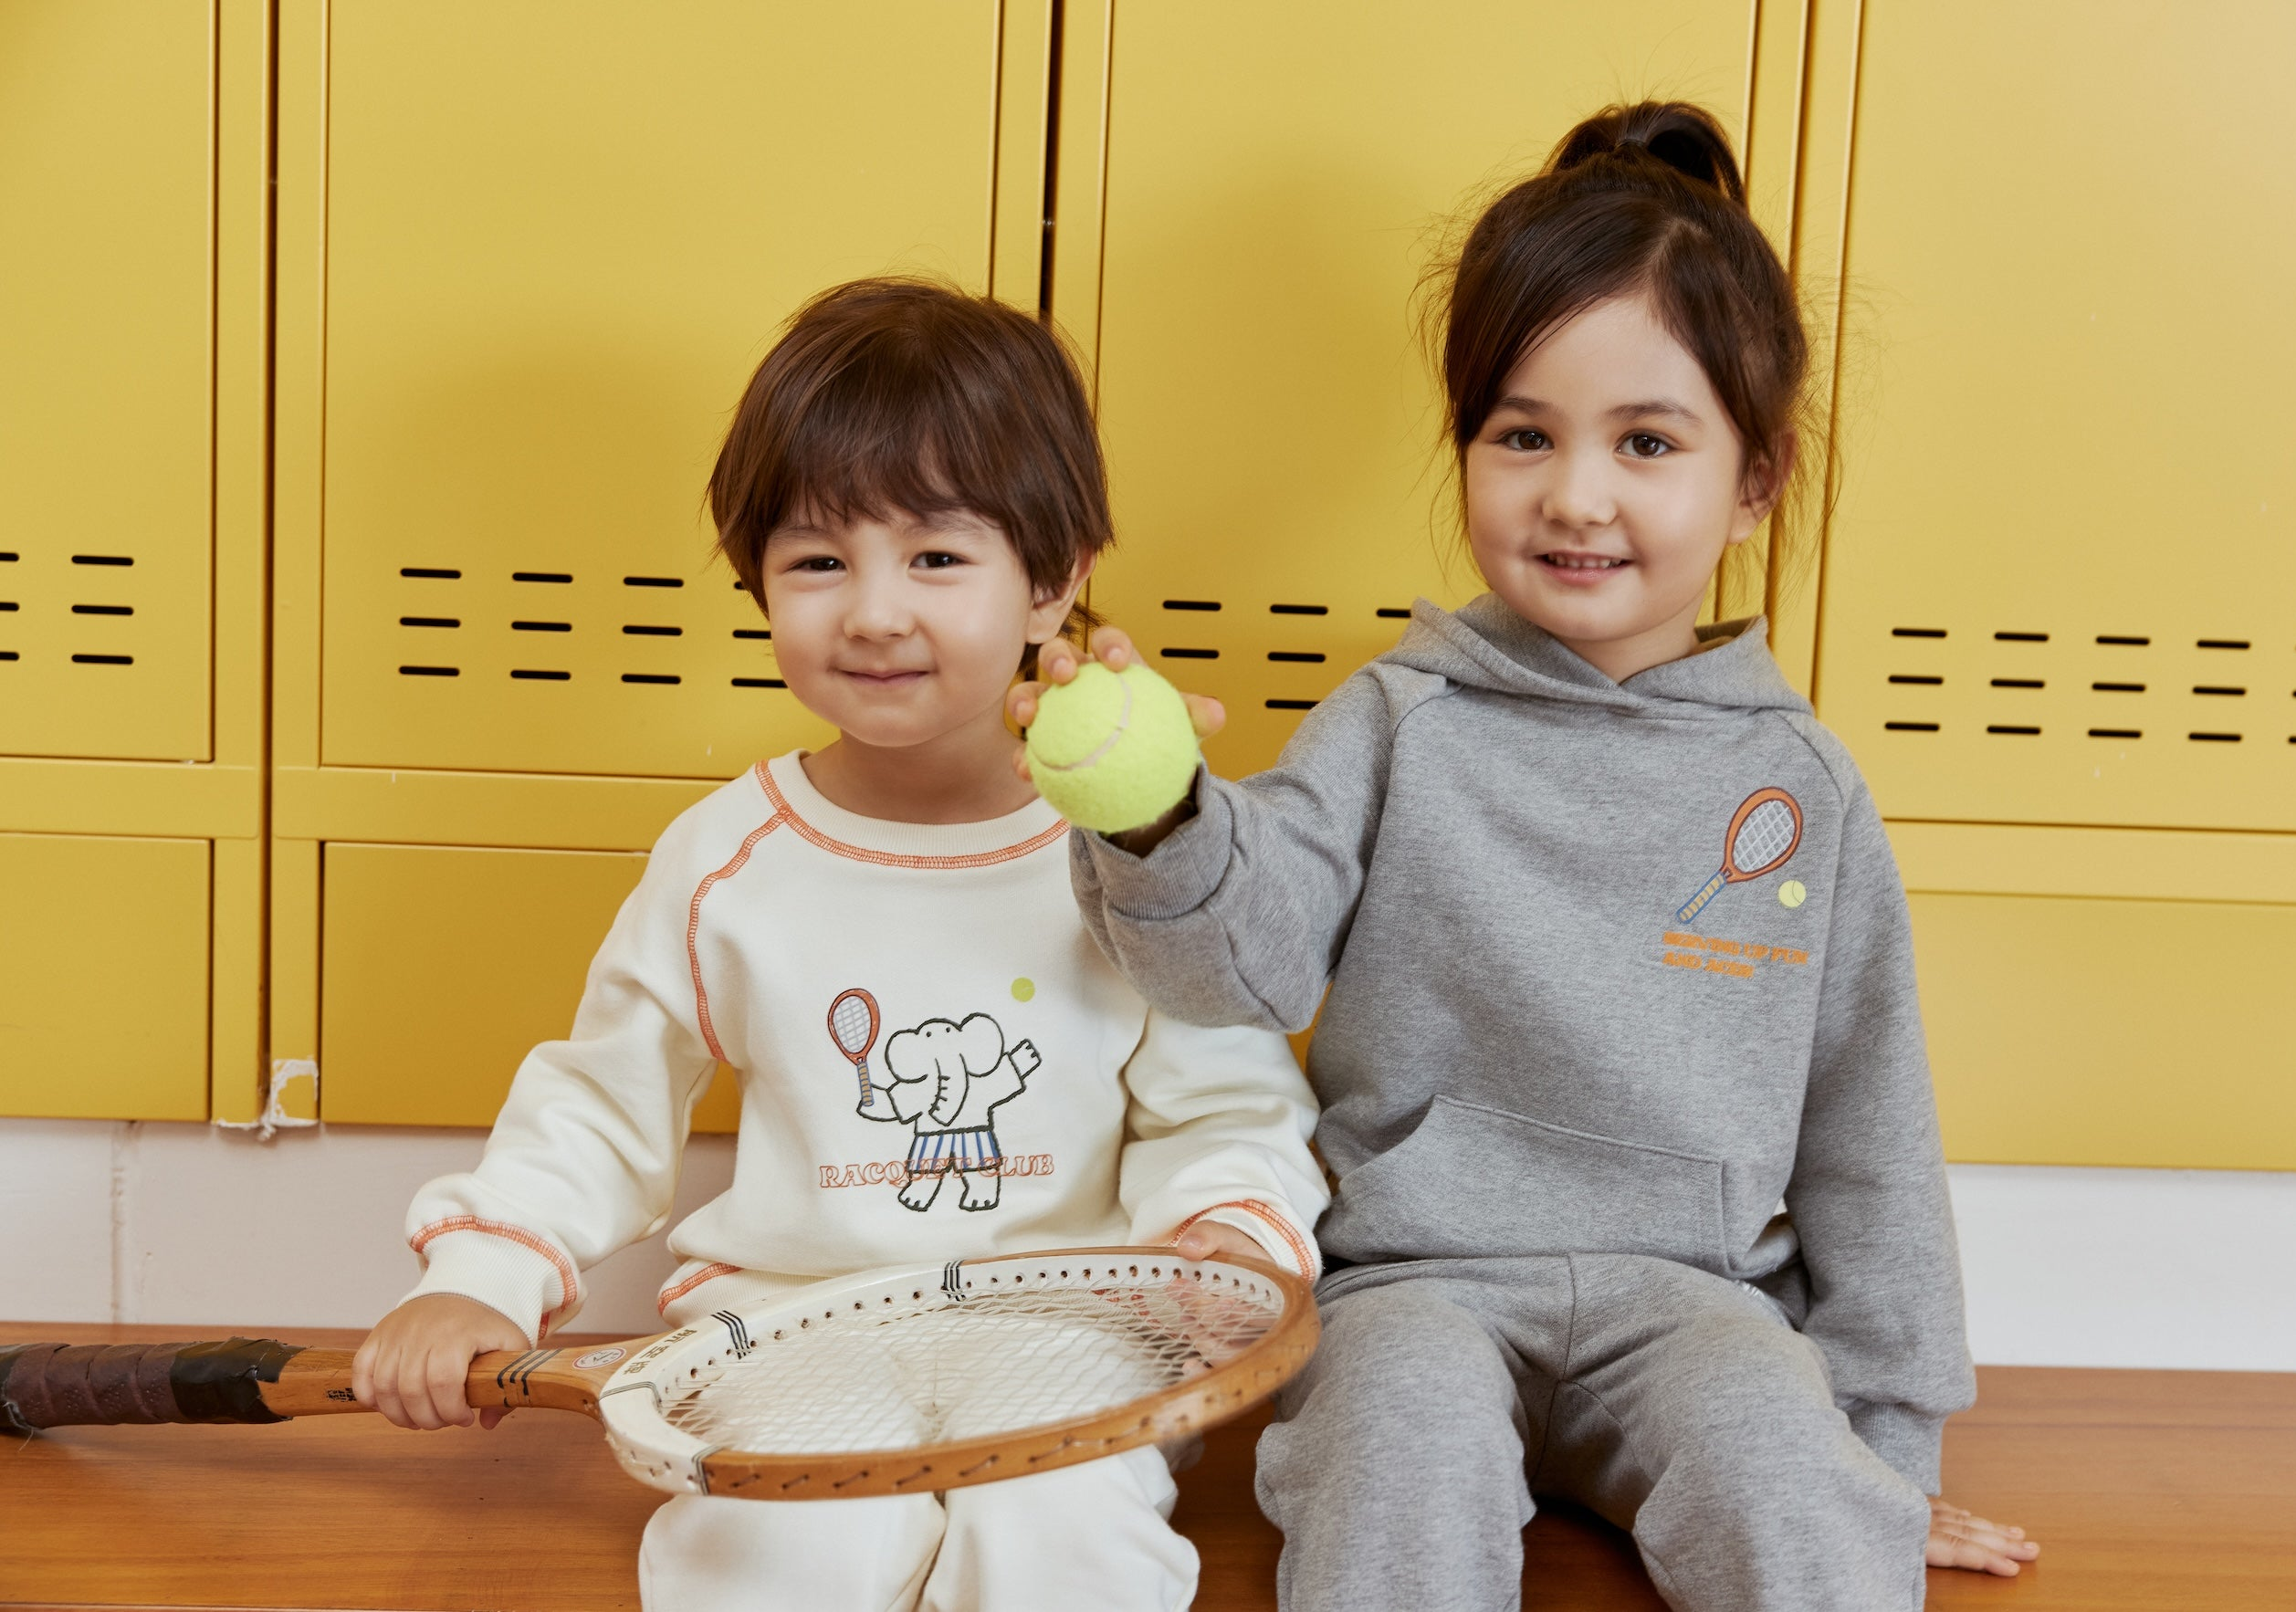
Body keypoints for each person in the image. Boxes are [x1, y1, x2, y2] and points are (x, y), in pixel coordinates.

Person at [1019, 104, 2038, 1610]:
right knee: (1397, 1455)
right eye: (1521, 435)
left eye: (1645, 442)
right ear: (1466, 448)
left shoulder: (1800, 783)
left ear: (1753, 479)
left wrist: (1883, 1459)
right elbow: (1239, 963)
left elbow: (1865, 1129)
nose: (1575, 495)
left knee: (1785, 1464)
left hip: (1698, 1303)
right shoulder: (1395, 717)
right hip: (1412, 1287)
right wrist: (1157, 815)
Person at [352, 278, 1327, 1612]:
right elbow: (602, 1098)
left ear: (1053, 580)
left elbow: (1224, 1095)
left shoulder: (1135, 842)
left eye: (936, 557)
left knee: (1069, 1553)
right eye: (819, 559)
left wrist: (1227, 1231)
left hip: (1074, 1327)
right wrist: (483, 1275)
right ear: (757, 578)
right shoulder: (724, 857)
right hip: (789, 1333)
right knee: (773, 1559)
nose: (872, 611)